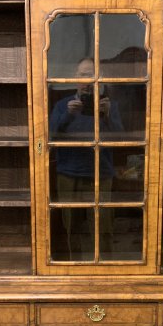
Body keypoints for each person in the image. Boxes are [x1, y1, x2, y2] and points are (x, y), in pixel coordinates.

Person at [48, 58, 125, 260]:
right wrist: (68, 115)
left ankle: (106, 269)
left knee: (103, 226)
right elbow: (49, 137)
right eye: (83, 74)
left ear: (99, 78)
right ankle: (75, 268)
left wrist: (107, 116)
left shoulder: (109, 106)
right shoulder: (62, 105)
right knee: (71, 226)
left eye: (92, 74)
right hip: (68, 173)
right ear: (75, 78)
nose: (88, 80)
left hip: (101, 171)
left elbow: (122, 140)